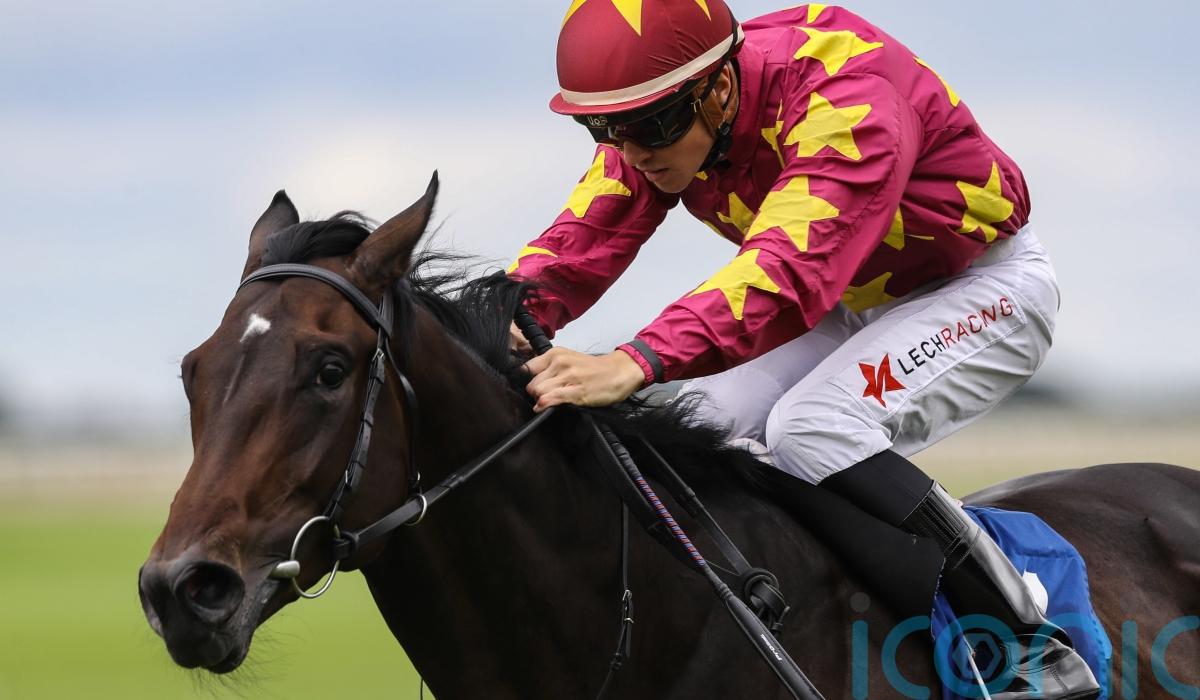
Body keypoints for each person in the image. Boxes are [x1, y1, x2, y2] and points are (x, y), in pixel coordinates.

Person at [508, 2, 1098, 697]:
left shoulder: (846, 96)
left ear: (719, 88)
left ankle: (1028, 642)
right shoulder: (670, 106)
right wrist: (503, 318)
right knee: (697, 425)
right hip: (850, 297)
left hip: (981, 285)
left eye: (649, 126)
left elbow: (788, 273)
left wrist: (635, 361)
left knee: (811, 428)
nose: (632, 151)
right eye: (604, 128)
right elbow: (590, 231)